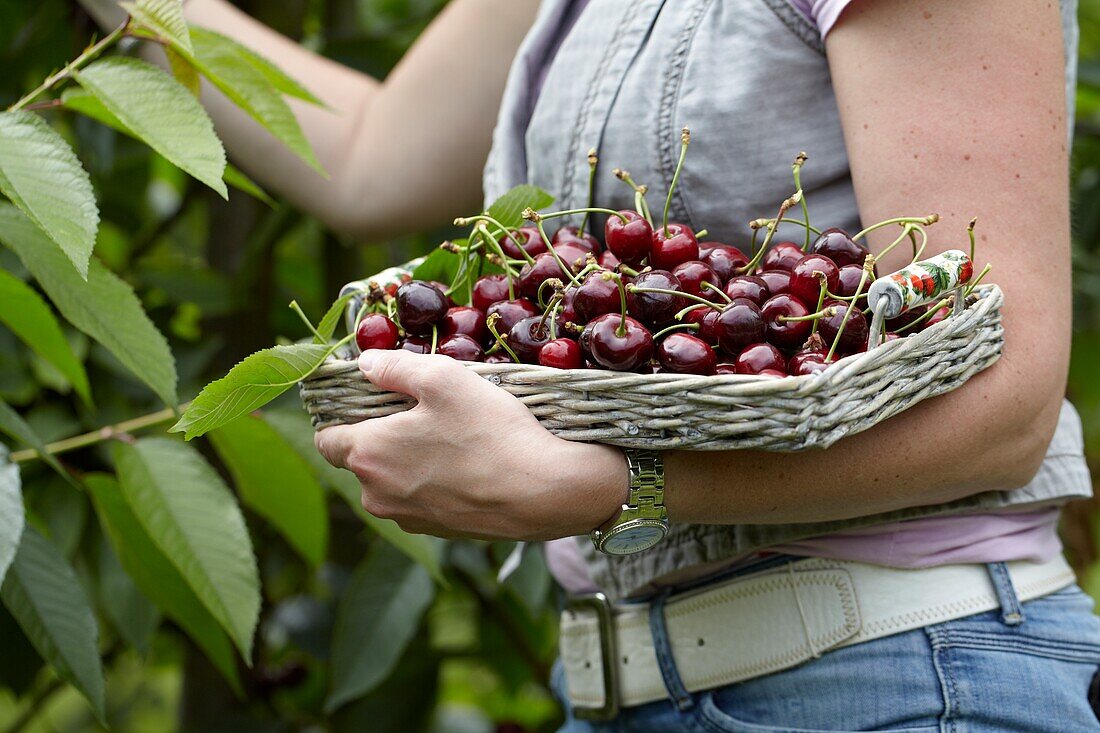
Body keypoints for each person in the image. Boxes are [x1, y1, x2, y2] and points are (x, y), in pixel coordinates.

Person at [79, 0, 1100, 729]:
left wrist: (621, 490)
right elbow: (370, 155)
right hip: (628, 689)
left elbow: (998, 395)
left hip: (885, 677)